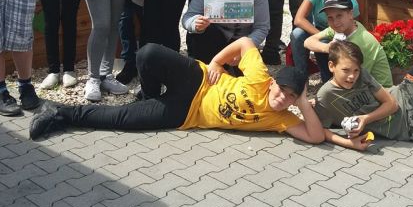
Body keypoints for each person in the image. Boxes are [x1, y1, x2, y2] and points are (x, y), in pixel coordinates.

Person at [29, 38, 326, 147]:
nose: (283, 98)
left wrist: (302, 101)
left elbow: (315, 136)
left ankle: (60, 112)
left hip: (185, 114)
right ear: (273, 83)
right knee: (147, 53)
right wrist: (217, 62)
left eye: (291, 96)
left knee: (121, 118)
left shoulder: (282, 119)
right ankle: (149, 95)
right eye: (282, 90)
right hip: (197, 79)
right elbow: (246, 42)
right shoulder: (261, 77)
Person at [303, 0, 391, 87]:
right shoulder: (348, 26)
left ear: (350, 14)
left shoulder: (362, 41)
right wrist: (327, 48)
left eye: (339, 16)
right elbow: (308, 42)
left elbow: (356, 80)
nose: (335, 22)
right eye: (330, 17)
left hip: (377, 90)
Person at [291, 0, 360, 80]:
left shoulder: (349, 1)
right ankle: (301, 78)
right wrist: (320, 35)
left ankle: (331, 78)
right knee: (297, 34)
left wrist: (332, 39)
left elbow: (355, 28)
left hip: (341, 35)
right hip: (320, 31)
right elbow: (298, 19)